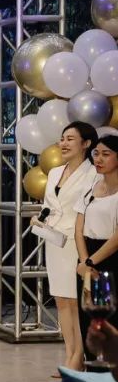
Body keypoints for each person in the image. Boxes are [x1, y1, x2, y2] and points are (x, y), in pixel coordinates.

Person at [35, 122, 98, 374]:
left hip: (76, 242)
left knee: (75, 301)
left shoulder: (93, 174)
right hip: (54, 240)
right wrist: (41, 220)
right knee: (61, 300)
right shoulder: (54, 172)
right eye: (62, 138)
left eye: (70, 139)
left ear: (86, 144)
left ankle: (79, 357)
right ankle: (70, 353)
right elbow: (50, 205)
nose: (63, 143)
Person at [74, 133, 118, 352]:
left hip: (110, 258)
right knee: (88, 320)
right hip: (87, 258)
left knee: (111, 318)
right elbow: (78, 229)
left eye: (106, 154)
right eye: (96, 153)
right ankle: (91, 367)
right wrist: (84, 262)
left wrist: (91, 262)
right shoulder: (91, 187)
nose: (98, 159)